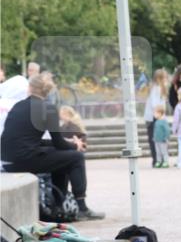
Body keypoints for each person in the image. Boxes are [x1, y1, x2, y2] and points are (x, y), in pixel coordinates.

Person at [0, 73, 104, 220]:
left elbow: (35, 142)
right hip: (25, 160)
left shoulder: (19, 105)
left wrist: (71, 144)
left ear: (29, 88)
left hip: (8, 160)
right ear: (47, 91)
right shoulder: (47, 108)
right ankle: (82, 208)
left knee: (61, 159)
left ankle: (58, 207)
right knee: (76, 157)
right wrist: (76, 146)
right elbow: (59, 143)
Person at [143, 68, 169, 167]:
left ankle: (160, 160)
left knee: (158, 139)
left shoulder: (160, 88)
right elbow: (155, 104)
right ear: (159, 79)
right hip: (154, 117)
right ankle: (156, 160)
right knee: (155, 139)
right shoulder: (156, 88)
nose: (166, 80)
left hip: (157, 116)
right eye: (165, 78)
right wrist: (161, 113)